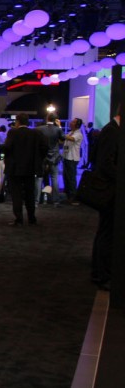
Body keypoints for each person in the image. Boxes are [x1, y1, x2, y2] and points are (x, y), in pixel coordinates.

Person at [90, 105, 120, 293]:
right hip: (109, 190)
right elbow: (105, 163)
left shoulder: (112, 130)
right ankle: (101, 274)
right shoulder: (111, 131)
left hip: (110, 190)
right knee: (106, 233)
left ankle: (101, 272)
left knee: (106, 232)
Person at [3, 113, 47, 226]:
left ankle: (19, 219)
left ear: (17, 121)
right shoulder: (36, 133)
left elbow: (7, 147)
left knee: (16, 194)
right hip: (30, 168)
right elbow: (44, 148)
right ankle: (32, 218)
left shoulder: (13, 132)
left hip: (15, 169)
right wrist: (38, 160)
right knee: (30, 194)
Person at [39, 113, 65, 205]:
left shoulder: (40, 129)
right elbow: (63, 139)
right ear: (55, 120)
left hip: (42, 156)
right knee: (54, 178)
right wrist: (60, 126)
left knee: (40, 178)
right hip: (54, 157)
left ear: (47, 118)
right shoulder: (57, 129)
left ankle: (37, 200)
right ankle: (55, 200)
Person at [62, 118, 84, 205]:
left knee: (71, 178)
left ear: (77, 125)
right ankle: (68, 196)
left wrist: (59, 129)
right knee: (66, 177)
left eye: (73, 122)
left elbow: (71, 139)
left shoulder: (78, 134)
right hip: (67, 157)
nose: (71, 123)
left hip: (72, 158)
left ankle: (73, 197)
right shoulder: (71, 132)